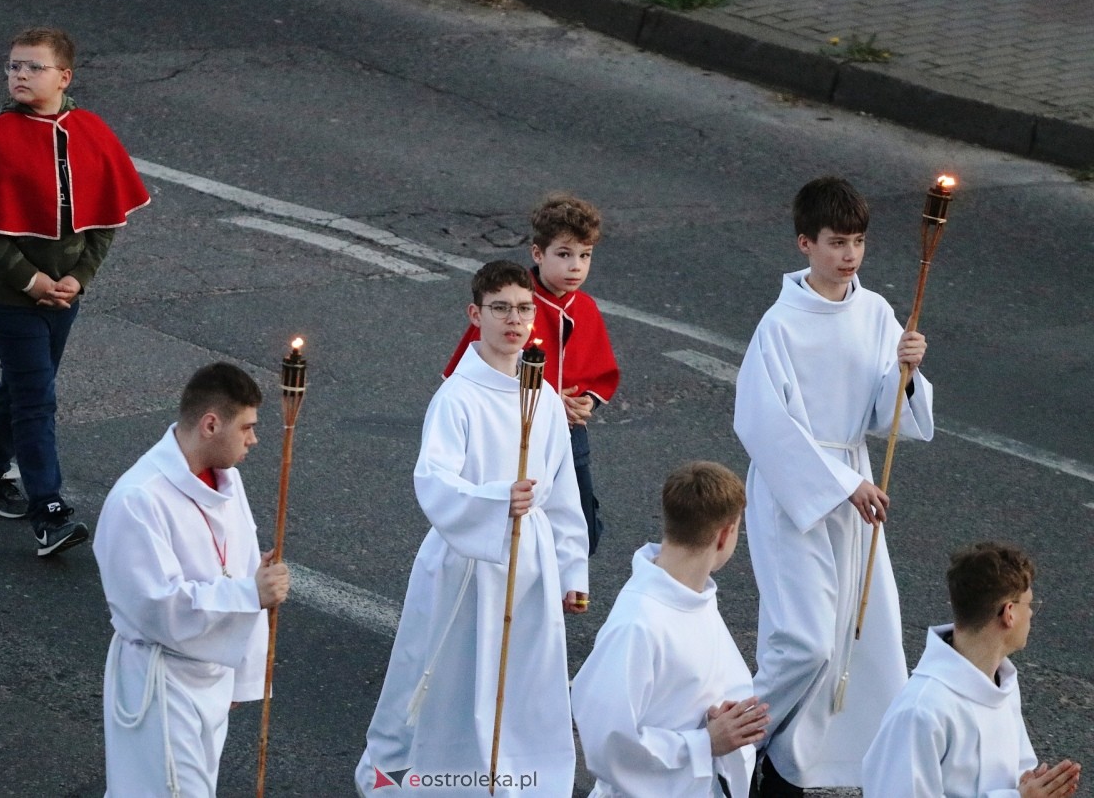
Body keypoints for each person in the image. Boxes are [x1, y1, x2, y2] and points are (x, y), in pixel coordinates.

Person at [356, 260, 589, 797]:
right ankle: (419, 780)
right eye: (501, 308)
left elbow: (563, 491)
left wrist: (572, 568)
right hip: (465, 564)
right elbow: (433, 480)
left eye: (524, 309)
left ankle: (511, 780)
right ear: (475, 314)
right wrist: (494, 500)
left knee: (521, 684)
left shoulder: (544, 399)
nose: (514, 320)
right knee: (447, 682)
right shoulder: (457, 398)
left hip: (528, 564)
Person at [733, 176, 934, 795]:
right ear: (805, 244)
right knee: (806, 642)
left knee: (863, 637)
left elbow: (884, 415)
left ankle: (806, 766)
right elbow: (762, 422)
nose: (849, 255)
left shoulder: (874, 311)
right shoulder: (780, 324)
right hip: (798, 495)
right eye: (837, 242)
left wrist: (905, 372)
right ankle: (735, 738)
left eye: (859, 243)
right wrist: (841, 483)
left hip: (853, 489)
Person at [0, 26, 150, 557]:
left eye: (33, 67)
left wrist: (80, 278)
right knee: (37, 397)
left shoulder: (93, 132)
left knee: (22, 385)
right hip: (10, 298)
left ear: (64, 77)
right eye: (13, 66)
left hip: (65, 296)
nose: (20, 75)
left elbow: (107, 216)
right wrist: (30, 280)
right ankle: (48, 510)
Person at [93, 362, 290, 797]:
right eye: (247, 428)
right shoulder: (138, 499)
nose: (254, 440)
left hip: (210, 674)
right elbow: (155, 605)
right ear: (211, 424)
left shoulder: (229, 482)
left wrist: (240, 672)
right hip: (163, 682)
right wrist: (248, 592)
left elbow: (235, 567)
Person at [571, 460, 769, 798]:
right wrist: (703, 743)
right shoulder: (638, 623)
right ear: (725, 535)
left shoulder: (694, 595)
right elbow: (607, 742)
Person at [444, 193, 619, 554]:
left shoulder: (584, 307)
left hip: (569, 435)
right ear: (538, 254)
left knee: (580, 520)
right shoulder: (515, 304)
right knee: (524, 511)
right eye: (564, 254)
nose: (576, 267)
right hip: (515, 429)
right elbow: (478, 367)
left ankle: (566, 582)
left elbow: (597, 371)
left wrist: (585, 401)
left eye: (585, 256)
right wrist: (549, 402)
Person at [862, 542, 1081, 797]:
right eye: (1029, 604)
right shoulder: (921, 712)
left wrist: (1036, 787)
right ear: (1009, 613)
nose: (1031, 613)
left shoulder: (1001, 683)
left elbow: (1019, 773)